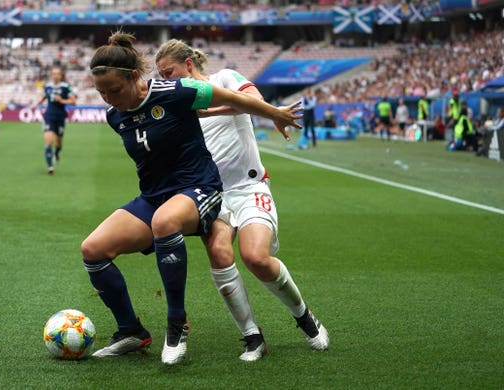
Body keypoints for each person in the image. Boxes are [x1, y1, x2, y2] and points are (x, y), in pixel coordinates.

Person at [81, 31, 303, 366]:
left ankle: (176, 324)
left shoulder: (177, 91)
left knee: (165, 222)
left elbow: (231, 97)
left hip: (200, 187)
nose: (110, 99)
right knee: (93, 250)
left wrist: (274, 113)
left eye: (114, 90)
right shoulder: (116, 116)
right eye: (102, 93)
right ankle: (130, 331)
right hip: (155, 196)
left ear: (135, 77)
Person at [155, 39, 329, 362]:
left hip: (250, 188)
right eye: (162, 76)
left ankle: (305, 317)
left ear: (189, 66)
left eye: (170, 72)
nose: (167, 80)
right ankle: (252, 336)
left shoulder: (224, 79)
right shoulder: (178, 103)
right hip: (212, 195)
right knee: (220, 253)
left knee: (255, 257)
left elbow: (253, 100)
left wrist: (204, 110)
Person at [32, 65, 76, 175]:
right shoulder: (48, 86)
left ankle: (56, 153)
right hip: (49, 116)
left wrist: (62, 100)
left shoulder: (66, 87)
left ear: (61, 75)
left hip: (60, 117)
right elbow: (44, 97)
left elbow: (73, 101)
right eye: (53, 73)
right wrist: (36, 103)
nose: (55, 75)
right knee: (49, 142)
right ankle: (50, 167)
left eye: (57, 74)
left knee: (59, 143)